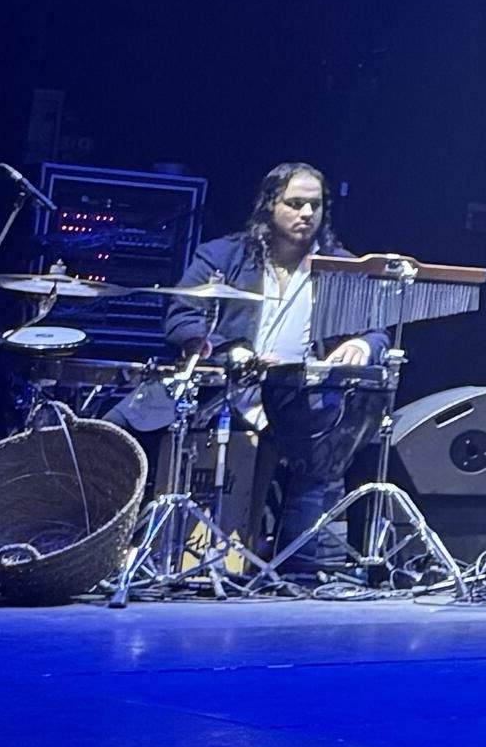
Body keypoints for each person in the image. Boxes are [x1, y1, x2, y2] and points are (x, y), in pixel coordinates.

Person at [163, 161, 382, 580]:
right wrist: (223, 349)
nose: (306, 214)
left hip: (300, 399)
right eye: (295, 203)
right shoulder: (223, 256)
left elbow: (379, 330)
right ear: (269, 205)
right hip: (229, 391)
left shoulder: (341, 266)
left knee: (320, 451)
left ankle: (296, 570)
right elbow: (180, 316)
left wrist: (362, 343)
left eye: (314, 206)